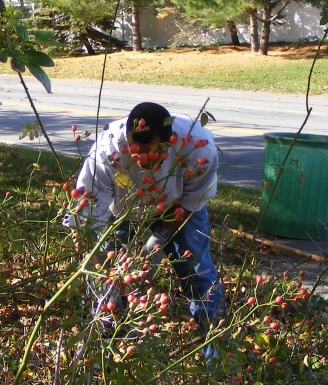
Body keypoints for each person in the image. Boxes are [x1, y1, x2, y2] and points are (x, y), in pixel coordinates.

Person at [65, 101, 224, 328]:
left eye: (154, 154)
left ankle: (214, 342)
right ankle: (106, 338)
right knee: (110, 283)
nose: (145, 161)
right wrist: (97, 270)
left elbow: (192, 198)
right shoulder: (107, 152)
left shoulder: (198, 148)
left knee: (198, 273)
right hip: (123, 212)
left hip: (176, 207)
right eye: (137, 154)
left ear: (169, 144)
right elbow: (86, 217)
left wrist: (159, 238)